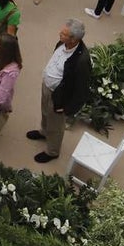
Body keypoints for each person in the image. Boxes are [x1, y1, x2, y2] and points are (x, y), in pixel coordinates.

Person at [28, 19, 91, 162]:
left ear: (74, 39)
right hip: (47, 87)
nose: (59, 34)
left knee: (56, 124)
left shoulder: (81, 61)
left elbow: (81, 90)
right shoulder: (62, 43)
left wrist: (68, 108)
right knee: (45, 112)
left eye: (63, 34)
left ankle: (52, 151)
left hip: (59, 96)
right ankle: (44, 132)